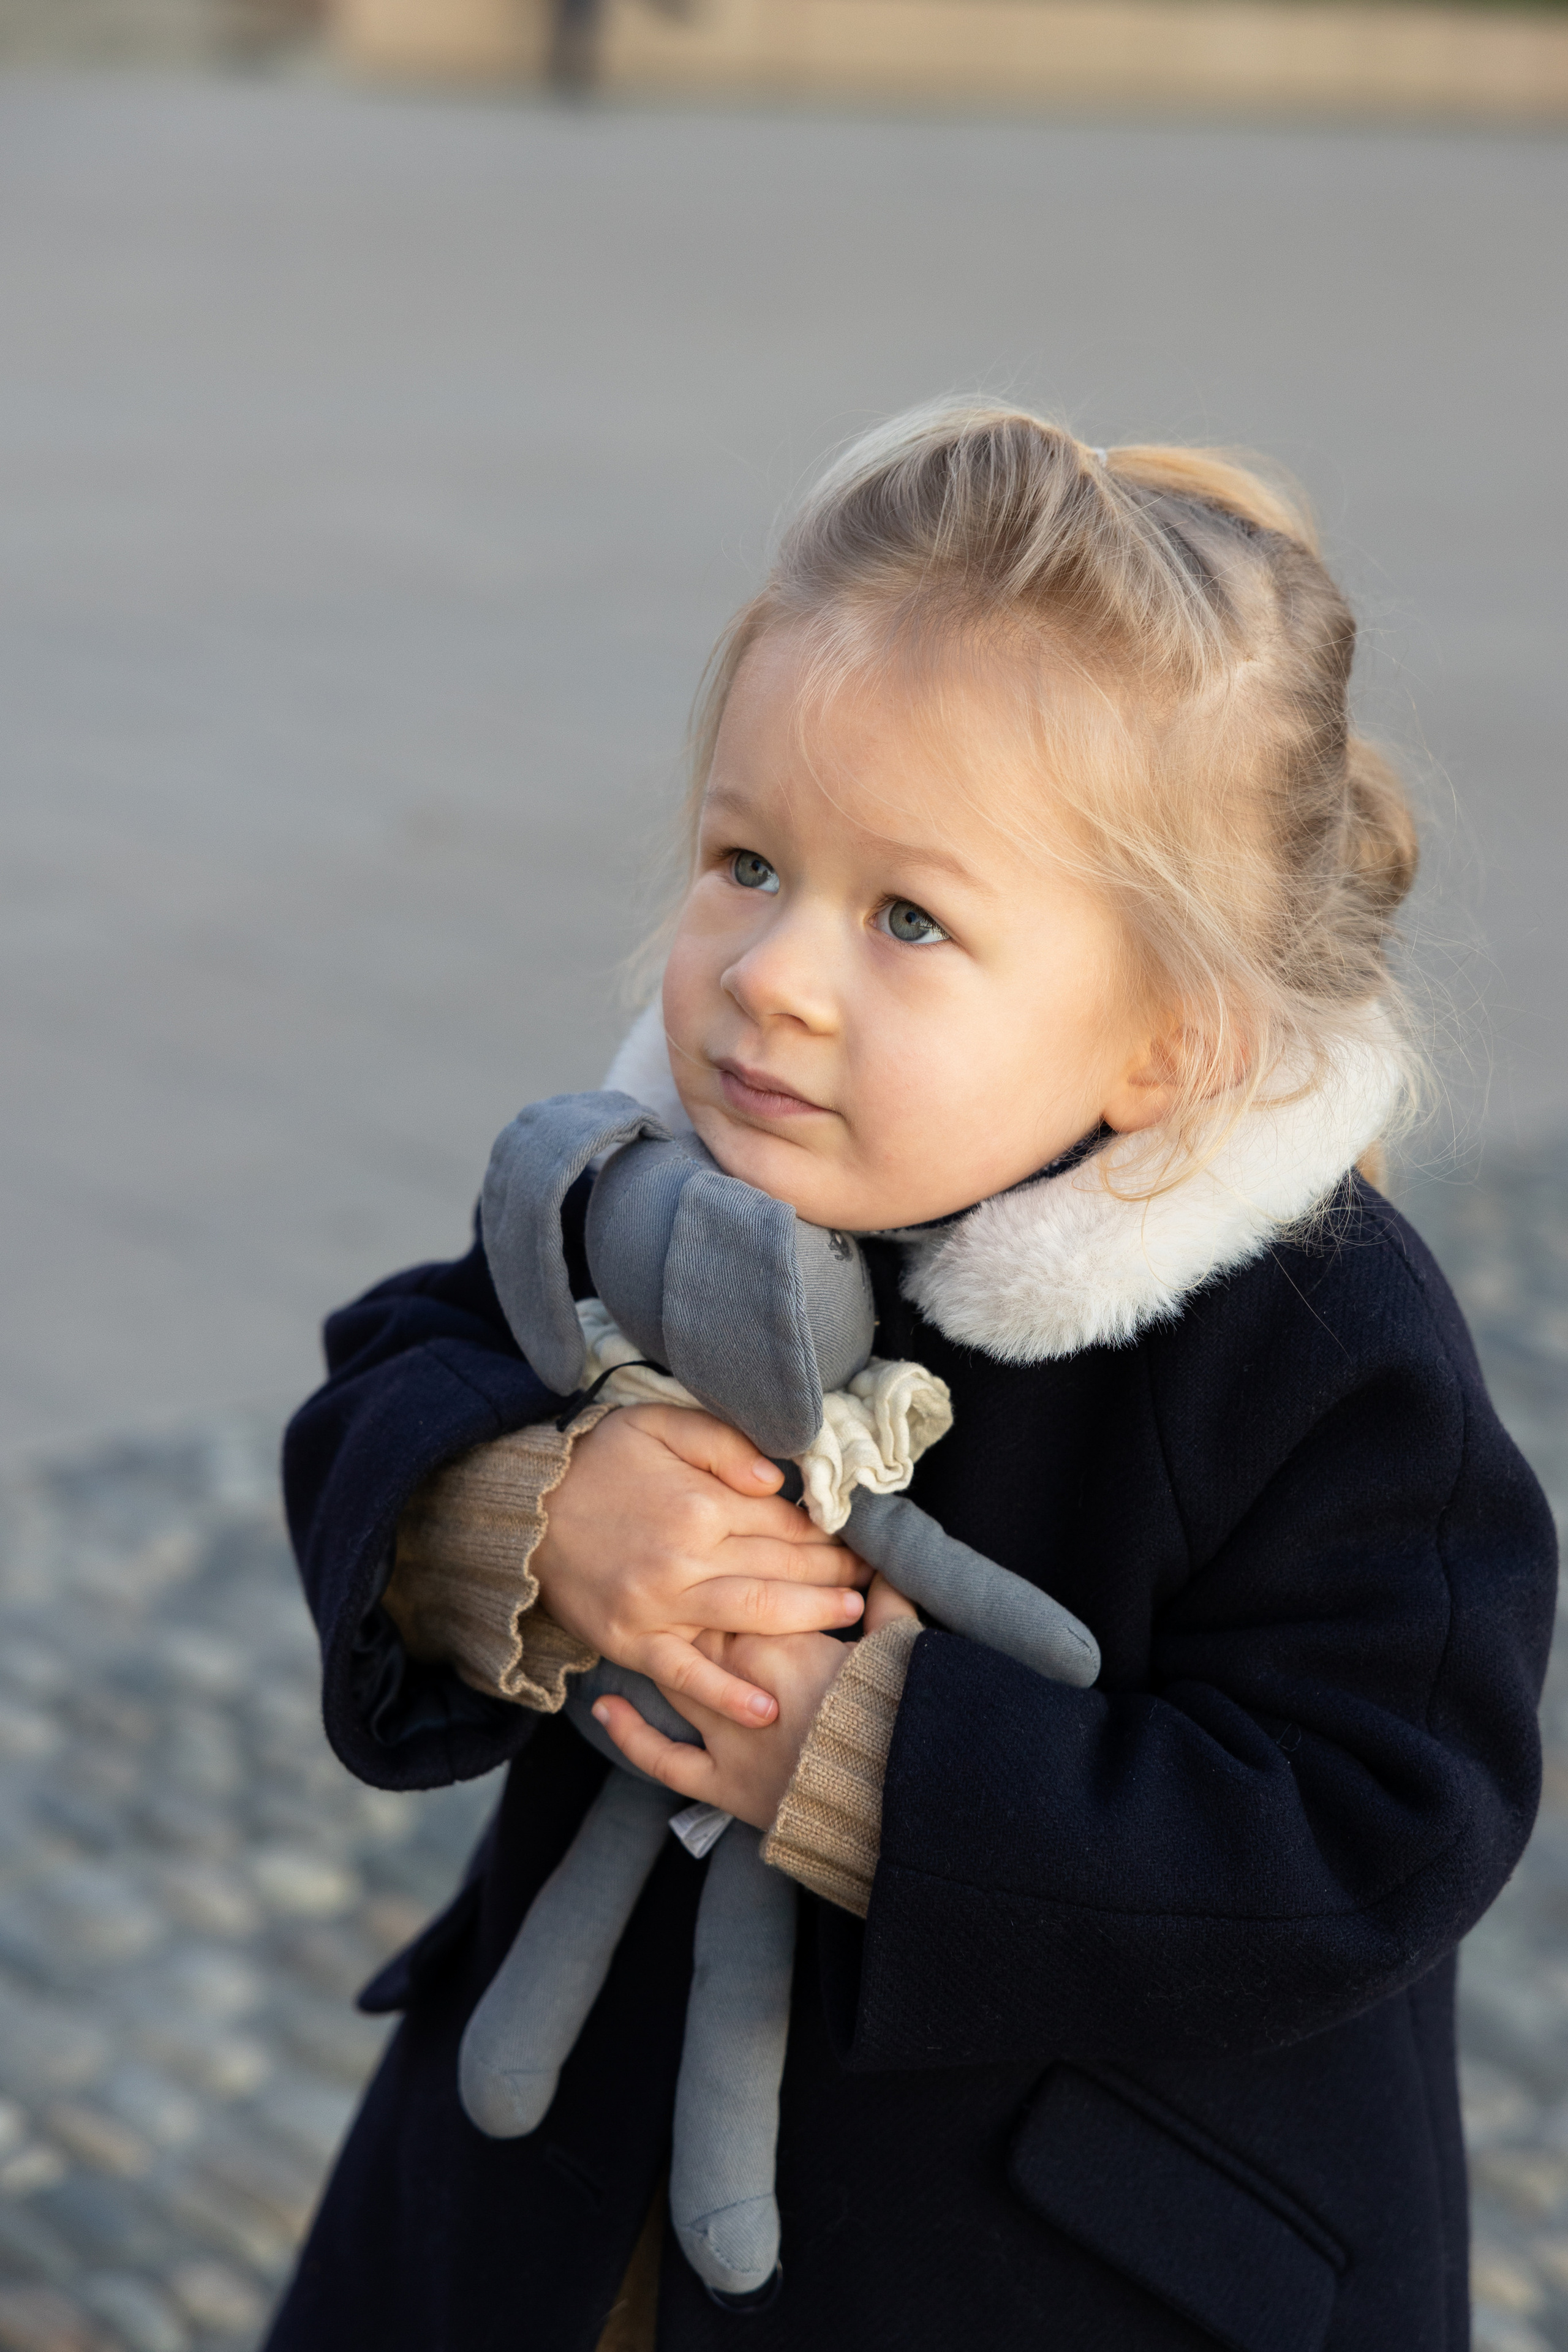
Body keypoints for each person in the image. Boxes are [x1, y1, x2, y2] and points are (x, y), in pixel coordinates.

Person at [264, 404, 1556, 2352]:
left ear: (1171, 1047)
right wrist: (517, 1516)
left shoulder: (1303, 1339)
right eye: (747, 859)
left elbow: (1389, 1807)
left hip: (1039, 2265)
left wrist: (871, 1764)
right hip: (552, 2195)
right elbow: (391, 1379)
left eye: (909, 918)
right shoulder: (643, 1186)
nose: (773, 973)